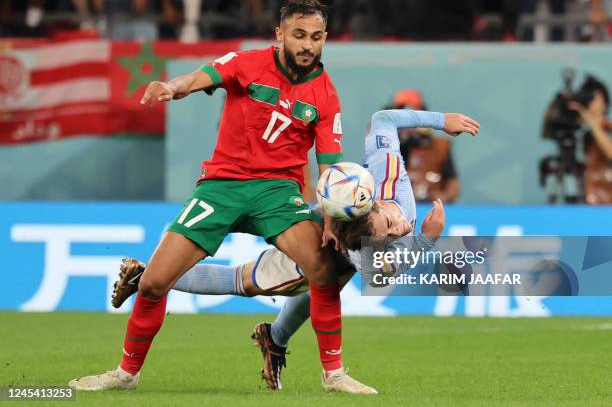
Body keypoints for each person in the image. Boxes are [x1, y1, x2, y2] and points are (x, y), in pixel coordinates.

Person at [69, 0, 374, 394]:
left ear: (325, 37)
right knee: (153, 283)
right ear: (280, 33)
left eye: (316, 37)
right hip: (221, 187)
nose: (307, 45)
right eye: (299, 35)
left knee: (323, 270)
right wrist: (174, 86)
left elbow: (331, 172)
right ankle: (126, 374)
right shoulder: (248, 63)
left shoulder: (325, 95)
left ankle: (333, 374)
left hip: (277, 194)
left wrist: (332, 222)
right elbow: (202, 76)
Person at [110, 107, 480, 390]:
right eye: (390, 231)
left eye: (392, 224)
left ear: (374, 202)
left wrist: (439, 119)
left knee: (325, 285)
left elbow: (383, 119)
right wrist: (425, 238)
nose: (401, 226)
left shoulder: (383, 169)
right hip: (316, 239)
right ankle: (148, 277)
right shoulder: (367, 252)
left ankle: (273, 338)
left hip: (328, 222)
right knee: (246, 280)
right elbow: (377, 275)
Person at [391, 89, 461, 203]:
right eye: (402, 113)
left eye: (412, 113)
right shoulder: (389, 145)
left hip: (430, 207)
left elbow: (453, 184)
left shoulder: (440, 146)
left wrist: (444, 196)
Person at [569, 75, 612, 204]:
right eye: (587, 98)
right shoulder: (582, 133)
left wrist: (594, 125)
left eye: (594, 98)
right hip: (586, 199)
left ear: (605, 103)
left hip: (607, 202)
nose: (590, 103)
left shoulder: (609, 128)